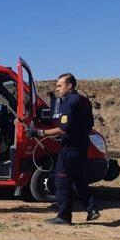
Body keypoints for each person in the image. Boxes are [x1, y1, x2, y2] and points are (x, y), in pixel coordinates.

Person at [27, 73, 100, 224]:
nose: (57, 89)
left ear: (69, 86)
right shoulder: (84, 101)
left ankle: (64, 216)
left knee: (62, 180)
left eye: (60, 85)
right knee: (78, 179)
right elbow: (86, 125)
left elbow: (63, 128)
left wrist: (40, 133)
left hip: (70, 149)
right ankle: (92, 208)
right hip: (81, 146)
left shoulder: (68, 102)